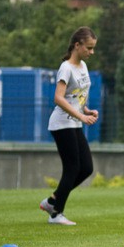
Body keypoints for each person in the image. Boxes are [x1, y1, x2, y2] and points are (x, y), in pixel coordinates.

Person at [39, 27, 99, 226]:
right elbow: (58, 98)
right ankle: (56, 214)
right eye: (89, 48)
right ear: (77, 45)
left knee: (86, 168)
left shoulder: (83, 67)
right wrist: (81, 116)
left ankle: (52, 201)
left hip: (74, 121)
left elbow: (75, 96)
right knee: (72, 168)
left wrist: (86, 110)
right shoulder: (66, 67)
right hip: (62, 123)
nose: (92, 52)